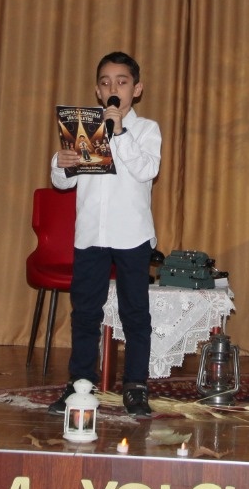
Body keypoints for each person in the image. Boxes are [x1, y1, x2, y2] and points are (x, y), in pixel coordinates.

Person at [47, 52, 162, 418]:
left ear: (136, 89)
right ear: (98, 90)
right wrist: (61, 164)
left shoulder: (146, 130)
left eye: (122, 82)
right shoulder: (85, 129)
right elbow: (62, 183)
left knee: (135, 313)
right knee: (85, 312)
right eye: (106, 82)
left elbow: (146, 170)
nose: (114, 88)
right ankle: (80, 383)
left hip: (132, 236)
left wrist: (120, 132)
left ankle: (136, 385)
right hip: (91, 234)